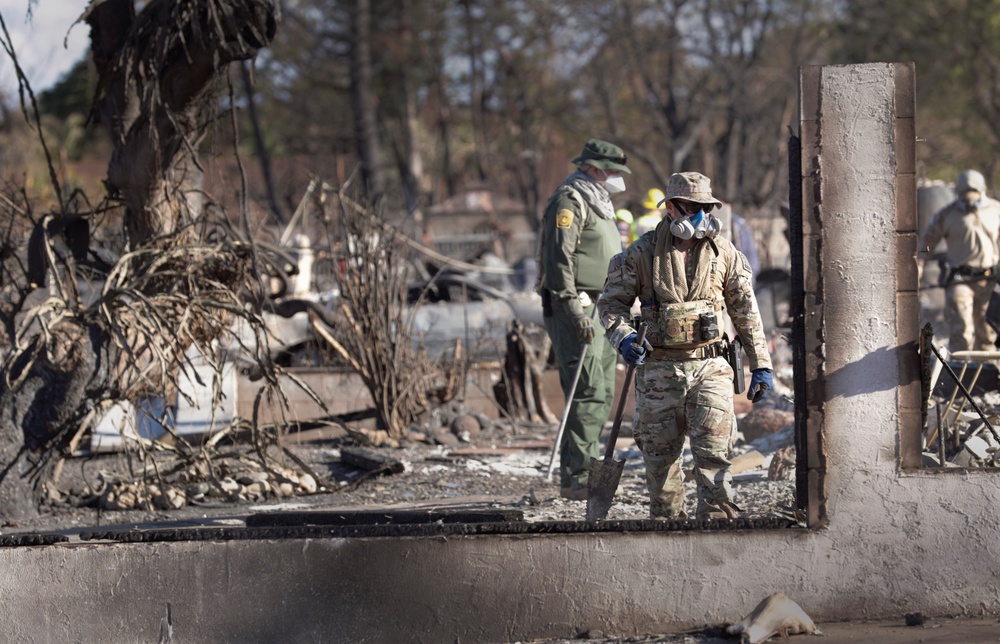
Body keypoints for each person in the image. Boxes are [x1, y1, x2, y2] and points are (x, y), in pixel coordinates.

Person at [597, 171, 773, 519]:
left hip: (710, 367)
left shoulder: (724, 253)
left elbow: (745, 311)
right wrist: (625, 338)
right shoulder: (641, 253)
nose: (701, 216)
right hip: (659, 371)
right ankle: (667, 537)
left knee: (714, 457)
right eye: (692, 208)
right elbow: (610, 305)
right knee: (660, 464)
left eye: (705, 208)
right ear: (672, 209)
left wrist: (761, 364)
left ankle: (719, 532)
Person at [537, 139, 631, 500]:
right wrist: (573, 309)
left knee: (603, 391)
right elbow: (559, 261)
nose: (617, 179)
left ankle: (586, 473)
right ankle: (577, 479)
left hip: (602, 309)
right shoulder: (570, 200)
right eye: (613, 171)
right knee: (586, 390)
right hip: (578, 308)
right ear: (595, 168)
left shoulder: (598, 201)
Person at [919, 169, 1000, 352]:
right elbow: (928, 241)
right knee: (961, 329)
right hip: (960, 278)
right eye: (964, 195)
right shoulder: (947, 214)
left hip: (988, 279)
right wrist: (920, 261)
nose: (968, 200)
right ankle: (958, 371)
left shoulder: (995, 211)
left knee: (987, 332)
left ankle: (984, 372)